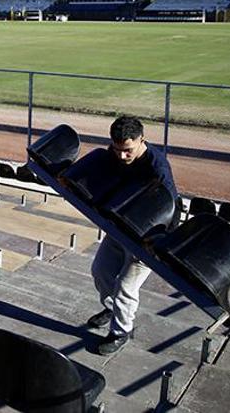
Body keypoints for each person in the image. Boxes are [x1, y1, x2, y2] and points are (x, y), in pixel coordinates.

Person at [88, 116, 179, 355]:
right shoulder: (114, 155)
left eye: (127, 151)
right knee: (100, 270)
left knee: (126, 287)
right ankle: (112, 309)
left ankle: (121, 332)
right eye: (117, 150)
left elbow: (172, 207)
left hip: (148, 237)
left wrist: (158, 244)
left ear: (142, 141)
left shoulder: (157, 167)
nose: (121, 156)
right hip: (122, 227)